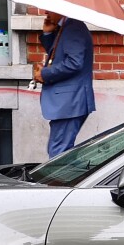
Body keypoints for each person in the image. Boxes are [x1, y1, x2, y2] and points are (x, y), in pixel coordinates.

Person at [33, 11, 95, 156]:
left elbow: (74, 63)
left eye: (48, 7)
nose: (45, 12)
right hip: (68, 101)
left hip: (69, 101)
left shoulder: (73, 27)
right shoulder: (66, 27)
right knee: (61, 151)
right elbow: (57, 56)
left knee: (58, 153)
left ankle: (59, 179)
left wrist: (44, 74)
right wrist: (48, 34)